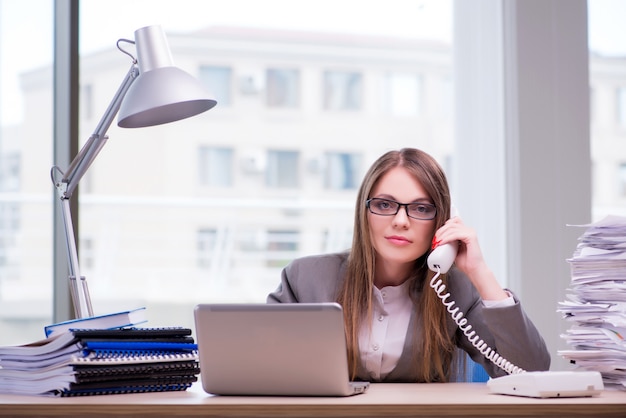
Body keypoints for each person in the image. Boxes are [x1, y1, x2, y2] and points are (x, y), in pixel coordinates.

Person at [267, 148, 550, 383]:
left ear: (442, 221)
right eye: (385, 204)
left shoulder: (456, 291)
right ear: (364, 213)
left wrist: (480, 273)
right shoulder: (305, 279)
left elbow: (530, 372)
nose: (401, 221)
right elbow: (260, 367)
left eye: (421, 208)